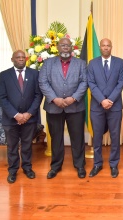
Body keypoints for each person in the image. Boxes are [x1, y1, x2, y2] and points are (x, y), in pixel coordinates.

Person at [39, 38, 88, 179]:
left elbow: (84, 82)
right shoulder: (48, 64)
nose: (65, 47)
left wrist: (73, 98)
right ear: (58, 47)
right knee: (56, 138)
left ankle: (79, 166)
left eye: (68, 45)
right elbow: (43, 82)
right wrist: (55, 99)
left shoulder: (80, 63)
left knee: (77, 138)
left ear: (71, 48)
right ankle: (55, 166)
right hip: (54, 107)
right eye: (62, 45)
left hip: (76, 107)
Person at [0, 50, 42, 183]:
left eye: (23, 57)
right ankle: (12, 171)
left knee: (27, 145)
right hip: (10, 119)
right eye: (18, 57)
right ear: (12, 59)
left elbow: (38, 95)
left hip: (30, 118)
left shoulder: (34, 74)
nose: (21, 59)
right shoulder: (4, 75)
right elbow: (2, 97)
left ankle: (27, 168)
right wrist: (16, 115)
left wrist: (28, 114)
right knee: (12, 146)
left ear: (26, 59)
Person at [87, 38, 123, 178]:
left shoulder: (120, 62)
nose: (106, 47)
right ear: (100, 47)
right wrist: (102, 100)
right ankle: (97, 164)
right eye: (103, 45)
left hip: (115, 106)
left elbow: (121, 82)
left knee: (115, 137)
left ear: (111, 47)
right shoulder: (92, 63)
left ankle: (114, 164)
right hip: (97, 106)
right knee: (97, 137)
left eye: (108, 45)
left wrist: (110, 100)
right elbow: (91, 83)